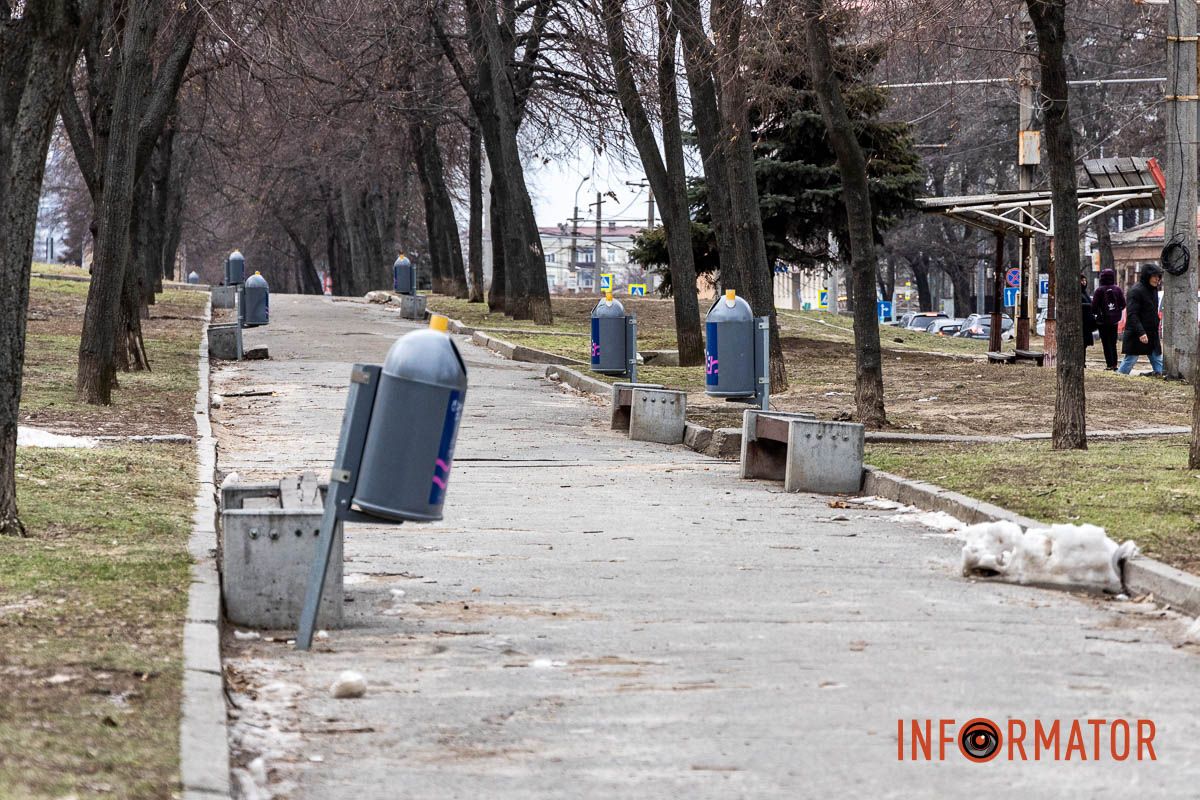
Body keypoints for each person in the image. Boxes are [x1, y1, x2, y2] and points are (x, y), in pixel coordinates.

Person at [1119, 262, 1164, 376]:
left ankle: (1161, 375)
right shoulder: (1136, 291)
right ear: (1147, 276)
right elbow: (1132, 314)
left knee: (1157, 358)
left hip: (1151, 332)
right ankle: (1120, 378)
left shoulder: (1153, 290)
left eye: (1158, 276)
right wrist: (1141, 332)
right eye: (1154, 276)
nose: (1157, 279)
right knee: (1131, 359)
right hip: (1137, 332)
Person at [1091, 268, 1125, 370]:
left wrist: (1097, 314)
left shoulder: (1099, 290)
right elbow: (1123, 304)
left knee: (1106, 343)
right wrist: (1116, 311)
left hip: (1102, 321)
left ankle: (1109, 364)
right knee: (1113, 343)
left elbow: (1094, 306)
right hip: (1114, 321)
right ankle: (1114, 364)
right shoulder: (1117, 289)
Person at [1080, 273, 1097, 350]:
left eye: (1084, 280)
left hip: (1087, 323)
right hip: (1082, 323)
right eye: (1082, 280)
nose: (1084, 282)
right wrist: (1090, 305)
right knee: (1082, 345)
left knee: (1084, 345)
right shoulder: (1079, 293)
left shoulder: (1085, 292)